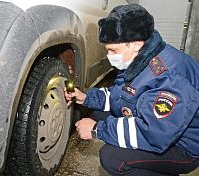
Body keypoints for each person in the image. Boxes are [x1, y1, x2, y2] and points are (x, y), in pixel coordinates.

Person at [64, 4, 199, 176]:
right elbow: (121, 95)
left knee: (112, 157)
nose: (109, 56)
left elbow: (155, 133)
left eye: (113, 50)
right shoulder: (140, 59)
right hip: (165, 129)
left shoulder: (169, 77)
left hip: (184, 146)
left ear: (135, 44)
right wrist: (86, 98)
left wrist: (96, 130)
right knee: (98, 113)